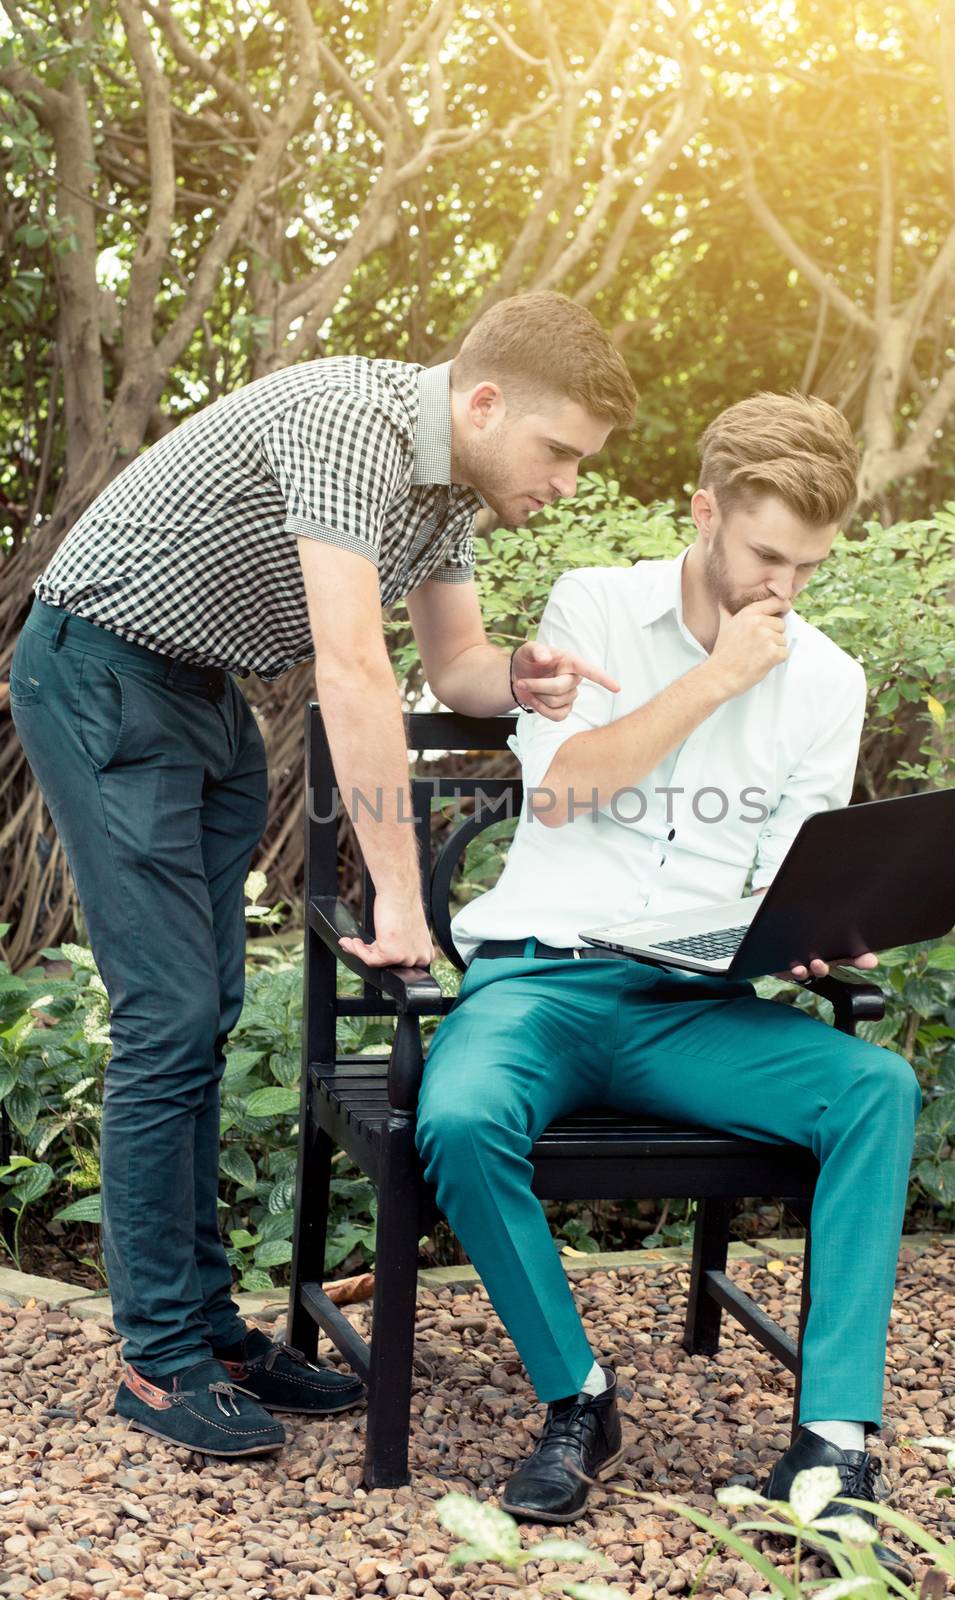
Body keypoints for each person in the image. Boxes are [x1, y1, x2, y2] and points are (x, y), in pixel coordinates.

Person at [8, 291, 637, 1457]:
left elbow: (452, 668)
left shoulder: (447, 489)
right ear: (484, 400)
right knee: (167, 1018)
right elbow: (350, 667)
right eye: (555, 451)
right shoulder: (348, 419)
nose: (562, 479)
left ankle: (204, 1325)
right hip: (97, 672)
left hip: (200, 693)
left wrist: (524, 669)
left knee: (206, 1013)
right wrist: (401, 898)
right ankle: (157, 1363)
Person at [416, 392, 920, 1576]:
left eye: (804, 566)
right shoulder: (593, 604)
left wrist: (824, 928)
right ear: (702, 515)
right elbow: (564, 789)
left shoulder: (826, 681)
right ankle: (578, 1395)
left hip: (694, 1005)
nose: (780, 590)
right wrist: (715, 677)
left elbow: (791, 866)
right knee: (457, 1113)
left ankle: (831, 1446)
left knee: (875, 1088)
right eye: (761, 556)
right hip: (541, 982)